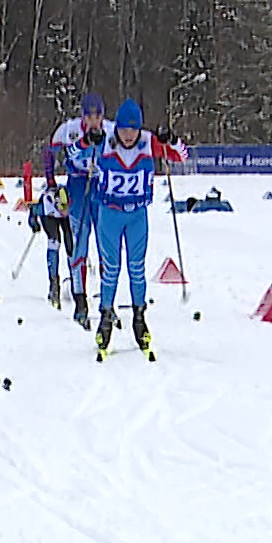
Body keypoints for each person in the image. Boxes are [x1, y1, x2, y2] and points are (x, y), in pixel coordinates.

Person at [91, 98, 187, 356]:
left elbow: (181, 156)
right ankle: (105, 318)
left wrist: (171, 139)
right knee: (111, 269)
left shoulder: (148, 142)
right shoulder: (105, 141)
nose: (128, 135)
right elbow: (77, 153)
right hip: (110, 214)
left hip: (137, 216)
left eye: (133, 130)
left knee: (137, 268)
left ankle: (139, 318)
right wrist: (88, 140)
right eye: (124, 129)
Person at [46, 93, 108, 329]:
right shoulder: (69, 129)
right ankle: (80, 301)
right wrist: (51, 183)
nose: (94, 121)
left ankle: (107, 303)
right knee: (78, 245)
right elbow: (49, 152)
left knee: (106, 248)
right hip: (77, 187)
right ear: (82, 116)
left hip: (101, 188)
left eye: (97, 116)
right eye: (89, 116)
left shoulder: (111, 129)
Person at [26, 179, 72, 309]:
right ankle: (54, 286)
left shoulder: (69, 201)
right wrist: (34, 224)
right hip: (49, 216)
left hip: (65, 209)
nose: (64, 212)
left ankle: (75, 282)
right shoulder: (47, 204)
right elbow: (33, 211)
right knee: (54, 242)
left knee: (71, 246)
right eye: (62, 209)